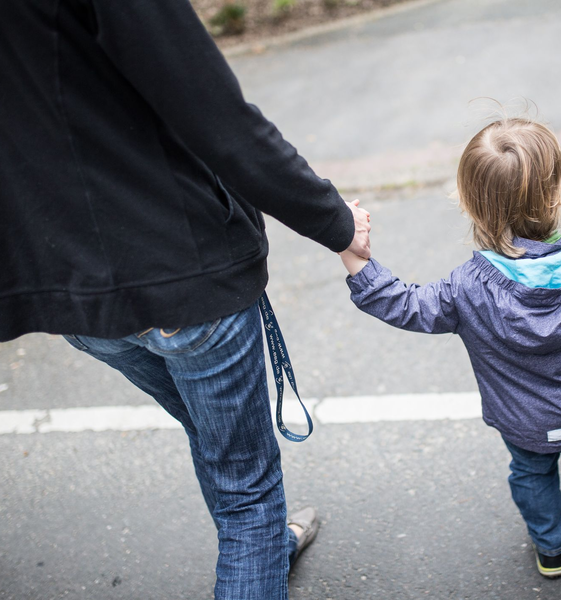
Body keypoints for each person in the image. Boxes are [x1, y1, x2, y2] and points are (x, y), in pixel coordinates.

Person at [0, 0, 370, 598]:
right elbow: (216, 116)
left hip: (73, 293)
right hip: (182, 273)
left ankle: (265, 550)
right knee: (247, 492)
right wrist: (334, 221)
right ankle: (258, 549)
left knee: (216, 438)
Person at [339, 117, 561, 578]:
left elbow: (406, 305)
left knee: (531, 472)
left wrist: (352, 252)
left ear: (469, 204)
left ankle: (552, 548)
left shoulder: (465, 287)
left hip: (521, 422)